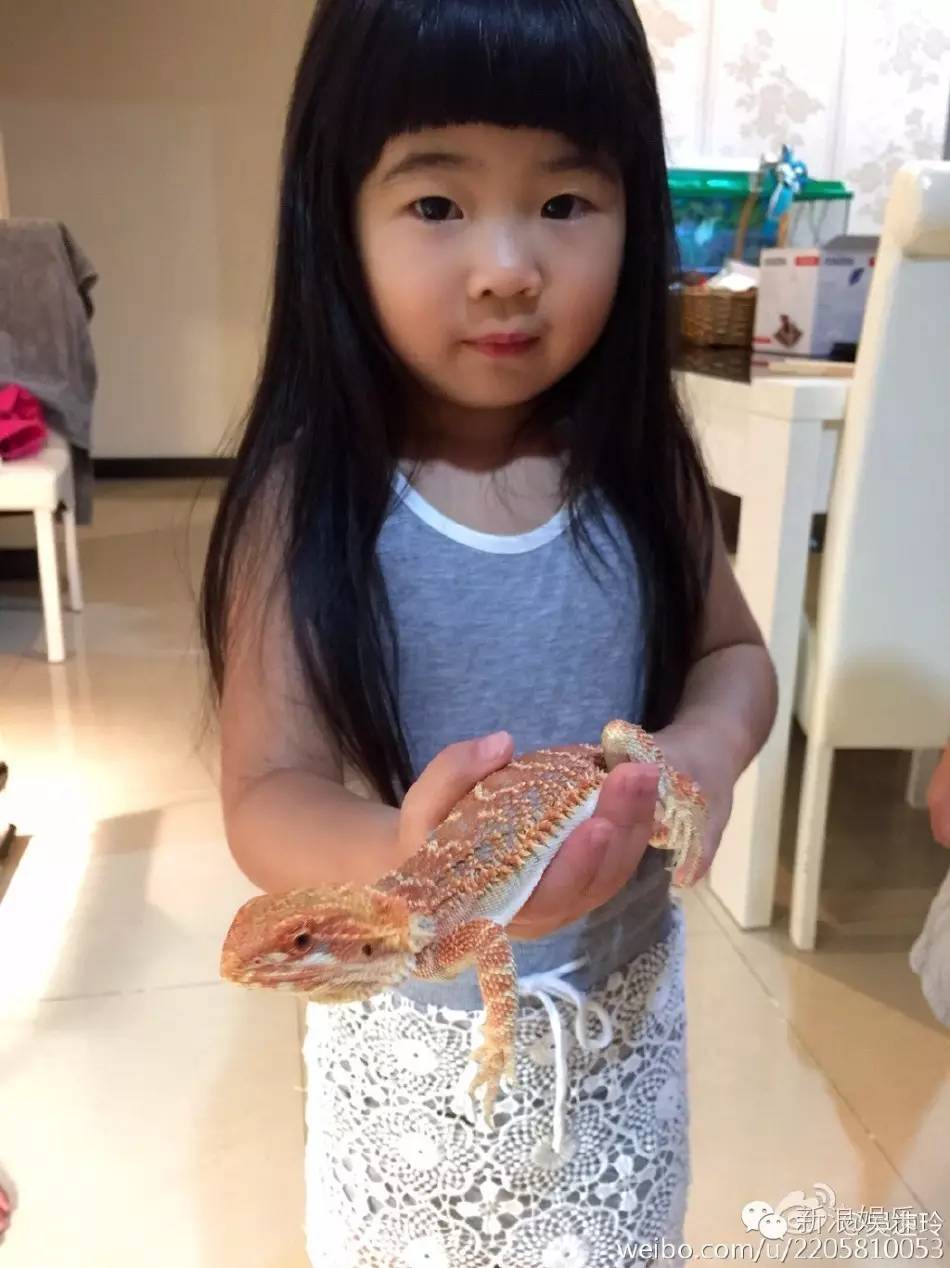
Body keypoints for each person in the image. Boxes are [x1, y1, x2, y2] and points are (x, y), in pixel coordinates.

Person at [200, 1, 778, 1263]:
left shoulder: (644, 475)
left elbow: (733, 657)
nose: (508, 265)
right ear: (335, 218)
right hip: (411, 1049)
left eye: (563, 202)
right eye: (436, 203)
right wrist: (401, 861)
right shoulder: (308, 503)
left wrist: (699, 752)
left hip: (616, 1024)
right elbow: (264, 788)